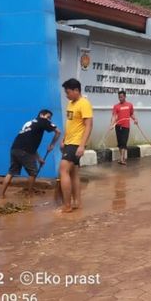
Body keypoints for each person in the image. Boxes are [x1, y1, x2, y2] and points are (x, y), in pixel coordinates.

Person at [0, 109, 61, 198]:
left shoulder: (30, 123)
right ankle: (29, 194)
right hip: (24, 151)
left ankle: (1, 195)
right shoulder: (43, 120)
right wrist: (52, 144)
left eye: (50, 118)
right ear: (41, 115)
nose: (49, 120)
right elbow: (58, 132)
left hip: (15, 149)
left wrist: (39, 159)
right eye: (48, 117)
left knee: (11, 172)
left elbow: (31, 146)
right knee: (33, 173)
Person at [59, 78, 93, 213]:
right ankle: (77, 203)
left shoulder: (84, 103)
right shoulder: (70, 104)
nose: (66, 95)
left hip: (76, 143)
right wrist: (64, 139)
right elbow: (70, 124)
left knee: (63, 170)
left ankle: (67, 206)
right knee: (73, 173)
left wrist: (82, 145)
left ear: (76, 90)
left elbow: (89, 125)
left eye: (68, 92)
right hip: (69, 142)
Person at [110, 90, 137, 166]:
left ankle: (122, 159)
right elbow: (114, 117)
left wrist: (135, 119)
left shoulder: (129, 105)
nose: (120, 98)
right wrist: (112, 125)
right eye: (119, 97)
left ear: (125, 96)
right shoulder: (116, 106)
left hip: (126, 126)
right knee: (120, 143)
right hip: (118, 126)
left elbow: (131, 114)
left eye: (121, 97)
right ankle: (122, 158)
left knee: (124, 142)